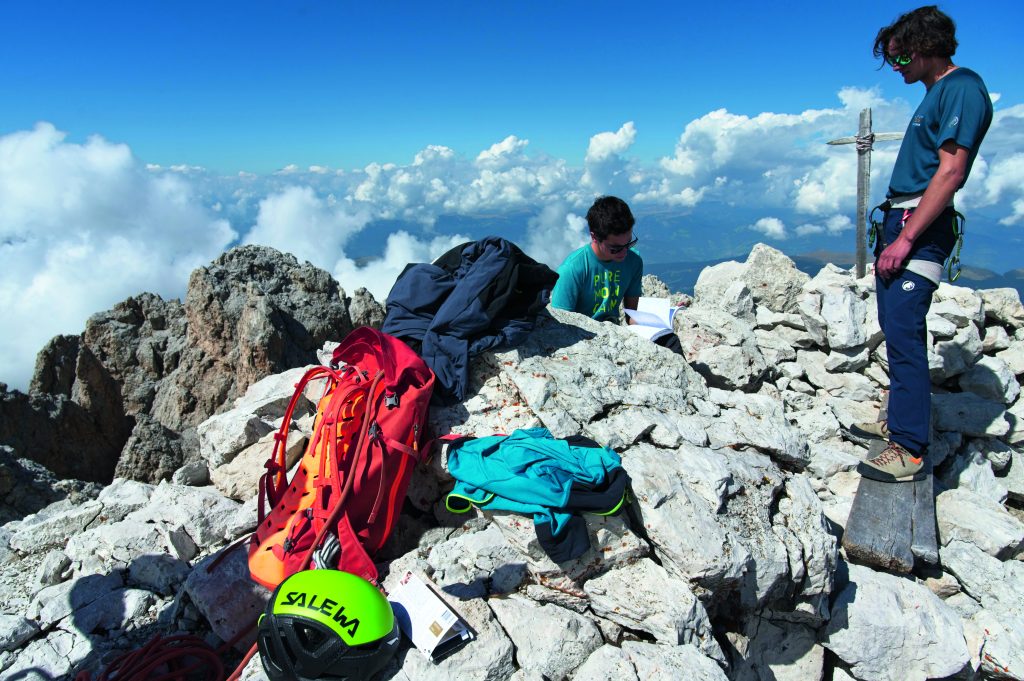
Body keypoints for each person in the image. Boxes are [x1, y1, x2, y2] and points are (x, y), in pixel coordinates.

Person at [854, 5, 992, 483]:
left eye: (900, 57)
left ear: (926, 46)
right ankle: (900, 420)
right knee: (895, 326)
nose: (896, 68)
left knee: (905, 330)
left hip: (918, 224)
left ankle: (910, 449)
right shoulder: (938, 92)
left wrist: (907, 237)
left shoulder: (961, 88)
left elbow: (951, 172)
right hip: (903, 220)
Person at [551, 195, 643, 323]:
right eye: (615, 248)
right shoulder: (572, 269)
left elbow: (633, 315)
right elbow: (559, 323)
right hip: (580, 331)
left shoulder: (634, 261)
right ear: (594, 237)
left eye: (629, 243)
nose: (624, 252)